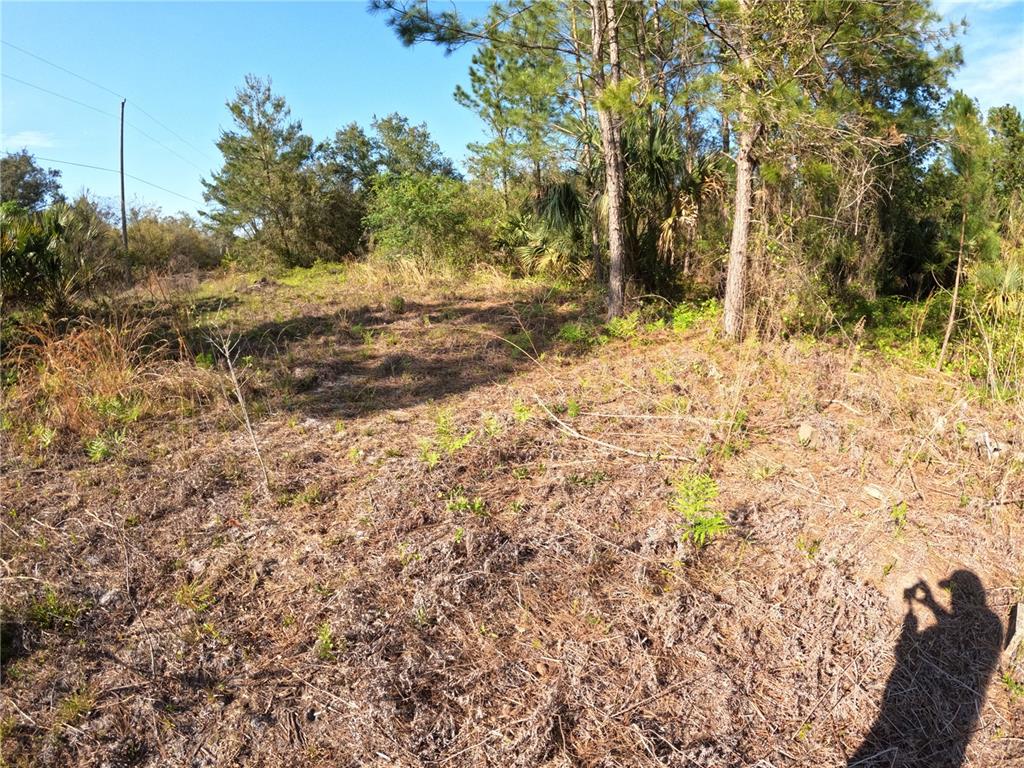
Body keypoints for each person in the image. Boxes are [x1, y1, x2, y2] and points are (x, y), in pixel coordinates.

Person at [848, 570, 1003, 767]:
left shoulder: (986, 624)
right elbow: (955, 624)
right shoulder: (992, 623)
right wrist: (929, 603)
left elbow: (952, 628)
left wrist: (912, 626)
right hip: (953, 720)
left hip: (944, 708)